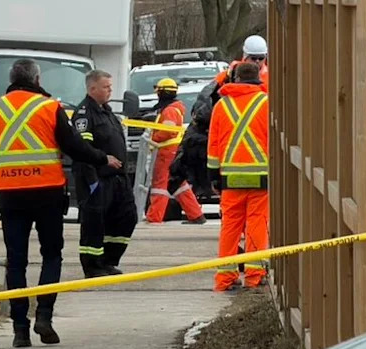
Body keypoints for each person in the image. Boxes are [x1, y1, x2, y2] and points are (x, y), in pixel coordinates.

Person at [0, 58, 114, 348]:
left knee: (15, 261)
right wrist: (103, 158)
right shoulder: (49, 107)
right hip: (47, 192)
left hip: (9, 191)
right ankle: (44, 315)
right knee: (51, 255)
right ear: (37, 79)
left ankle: (19, 329)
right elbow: (74, 146)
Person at [206, 60, 270, 291]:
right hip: (260, 177)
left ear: (236, 79)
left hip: (230, 179)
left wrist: (214, 177)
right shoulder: (266, 104)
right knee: (257, 225)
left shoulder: (221, 107)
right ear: (259, 78)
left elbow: (213, 145)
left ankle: (225, 278)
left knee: (230, 227)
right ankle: (254, 276)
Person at [71, 69, 136, 278]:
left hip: (118, 180)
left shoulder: (107, 112)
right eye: (106, 87)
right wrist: (93, 183)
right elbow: (82, 150)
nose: (110, 90)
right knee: (94, 224)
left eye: (110, 86)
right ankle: (92, 265)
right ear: (92, 89)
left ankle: (109, 260)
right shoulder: (84, 115)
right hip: (97, 179)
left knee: (126, 218)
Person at [144, 78, 206, 224]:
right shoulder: (173, 108)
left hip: (166, 152)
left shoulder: (170, 110)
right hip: (171, 152)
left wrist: (154, 137)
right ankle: (196, 215)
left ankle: (154, 217)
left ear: (161, 92)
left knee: (160, 185)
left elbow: (167, 131)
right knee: (178, 184)